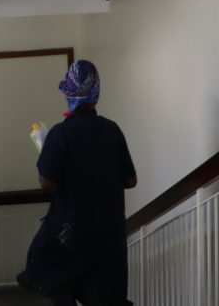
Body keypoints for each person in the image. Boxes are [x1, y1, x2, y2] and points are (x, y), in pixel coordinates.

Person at [18, 59, 137, 306]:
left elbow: (46, 182)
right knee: (105, 294)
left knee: (40, 267)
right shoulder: (112, 130)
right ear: (96, 94)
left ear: (68, 95)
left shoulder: (60, 134)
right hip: (108, 235)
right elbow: (130, 180)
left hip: (72, 232)